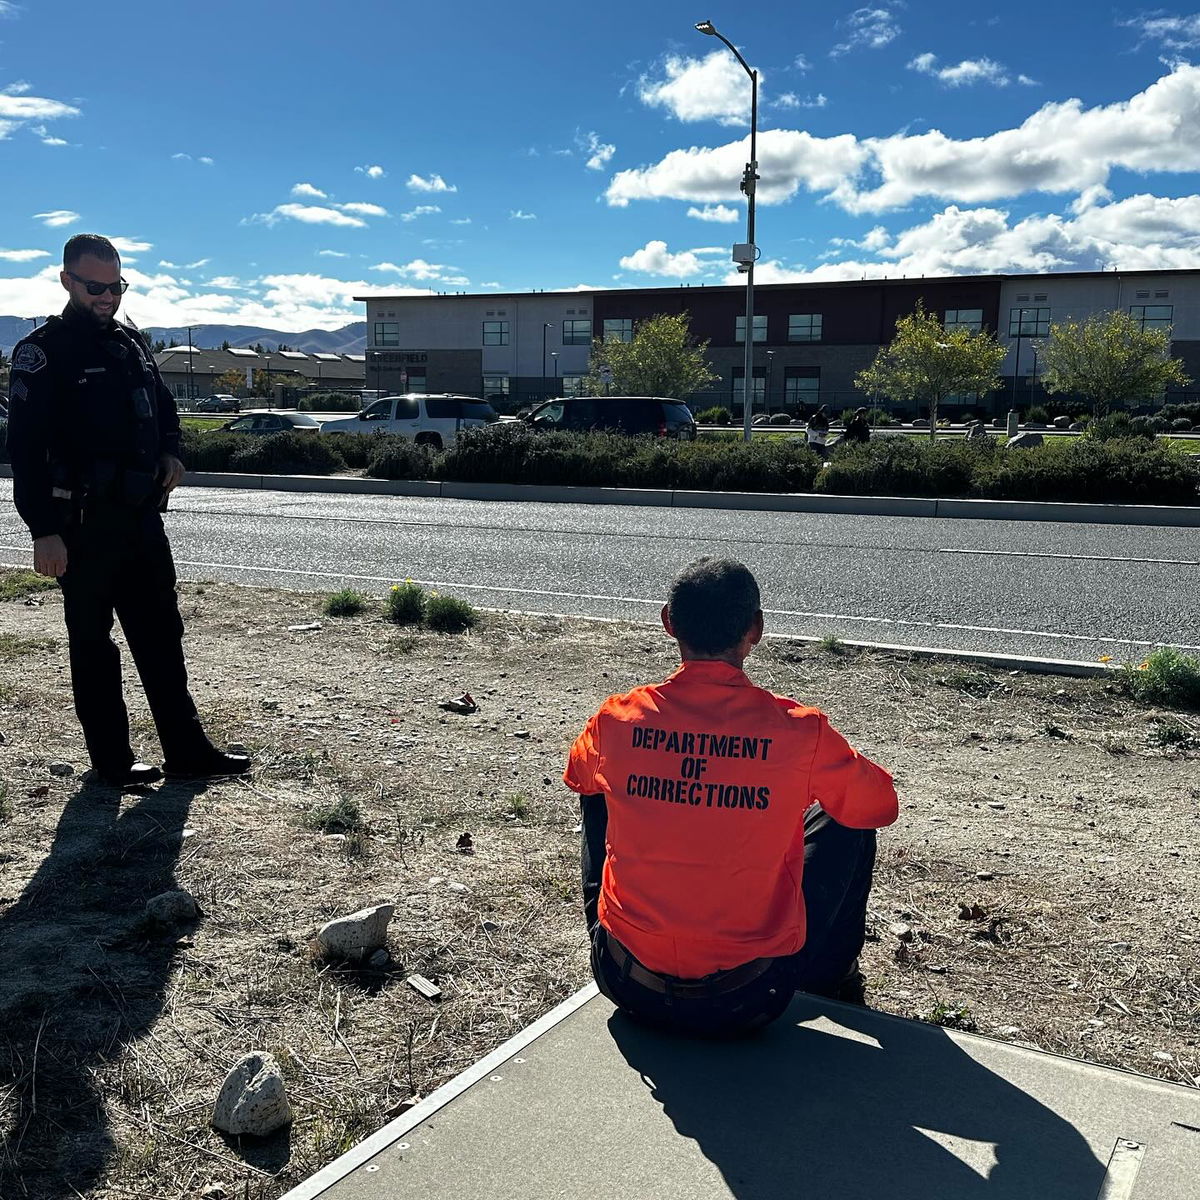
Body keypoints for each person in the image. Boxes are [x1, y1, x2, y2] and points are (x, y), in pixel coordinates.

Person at [565, 558, 898, 1038]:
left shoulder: (617, 719)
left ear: (667, 622)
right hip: (749, 998)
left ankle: (632, 934)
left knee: (597, 785)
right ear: (756, 630)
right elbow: (881, 805)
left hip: (627, 982)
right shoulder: (798, 731)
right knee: (847, 816)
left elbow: (578, 776)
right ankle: (833, 982)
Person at [6, 233, 250, 788]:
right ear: (67, 281)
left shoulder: (131, 341)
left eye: (117, 286)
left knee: (162, 634)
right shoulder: (43, 353)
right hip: (80, 523)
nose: (108, 296)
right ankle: (112, 763)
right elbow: (23, 448)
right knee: (93, 643)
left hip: (140, 517)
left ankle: (186, 750)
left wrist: (172, 451)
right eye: (96, 287)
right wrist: (43, 530)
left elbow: (163, 408)